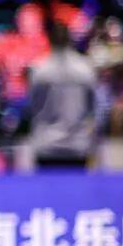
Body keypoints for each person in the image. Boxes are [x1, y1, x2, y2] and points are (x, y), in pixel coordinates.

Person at [26, 22, 97, 167]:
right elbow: (93, 108)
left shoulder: (39, 71)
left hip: (46, 145)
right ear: (70, 40)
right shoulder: (85, 69)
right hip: (78, 145)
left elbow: (32, 107)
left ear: (49, 39)